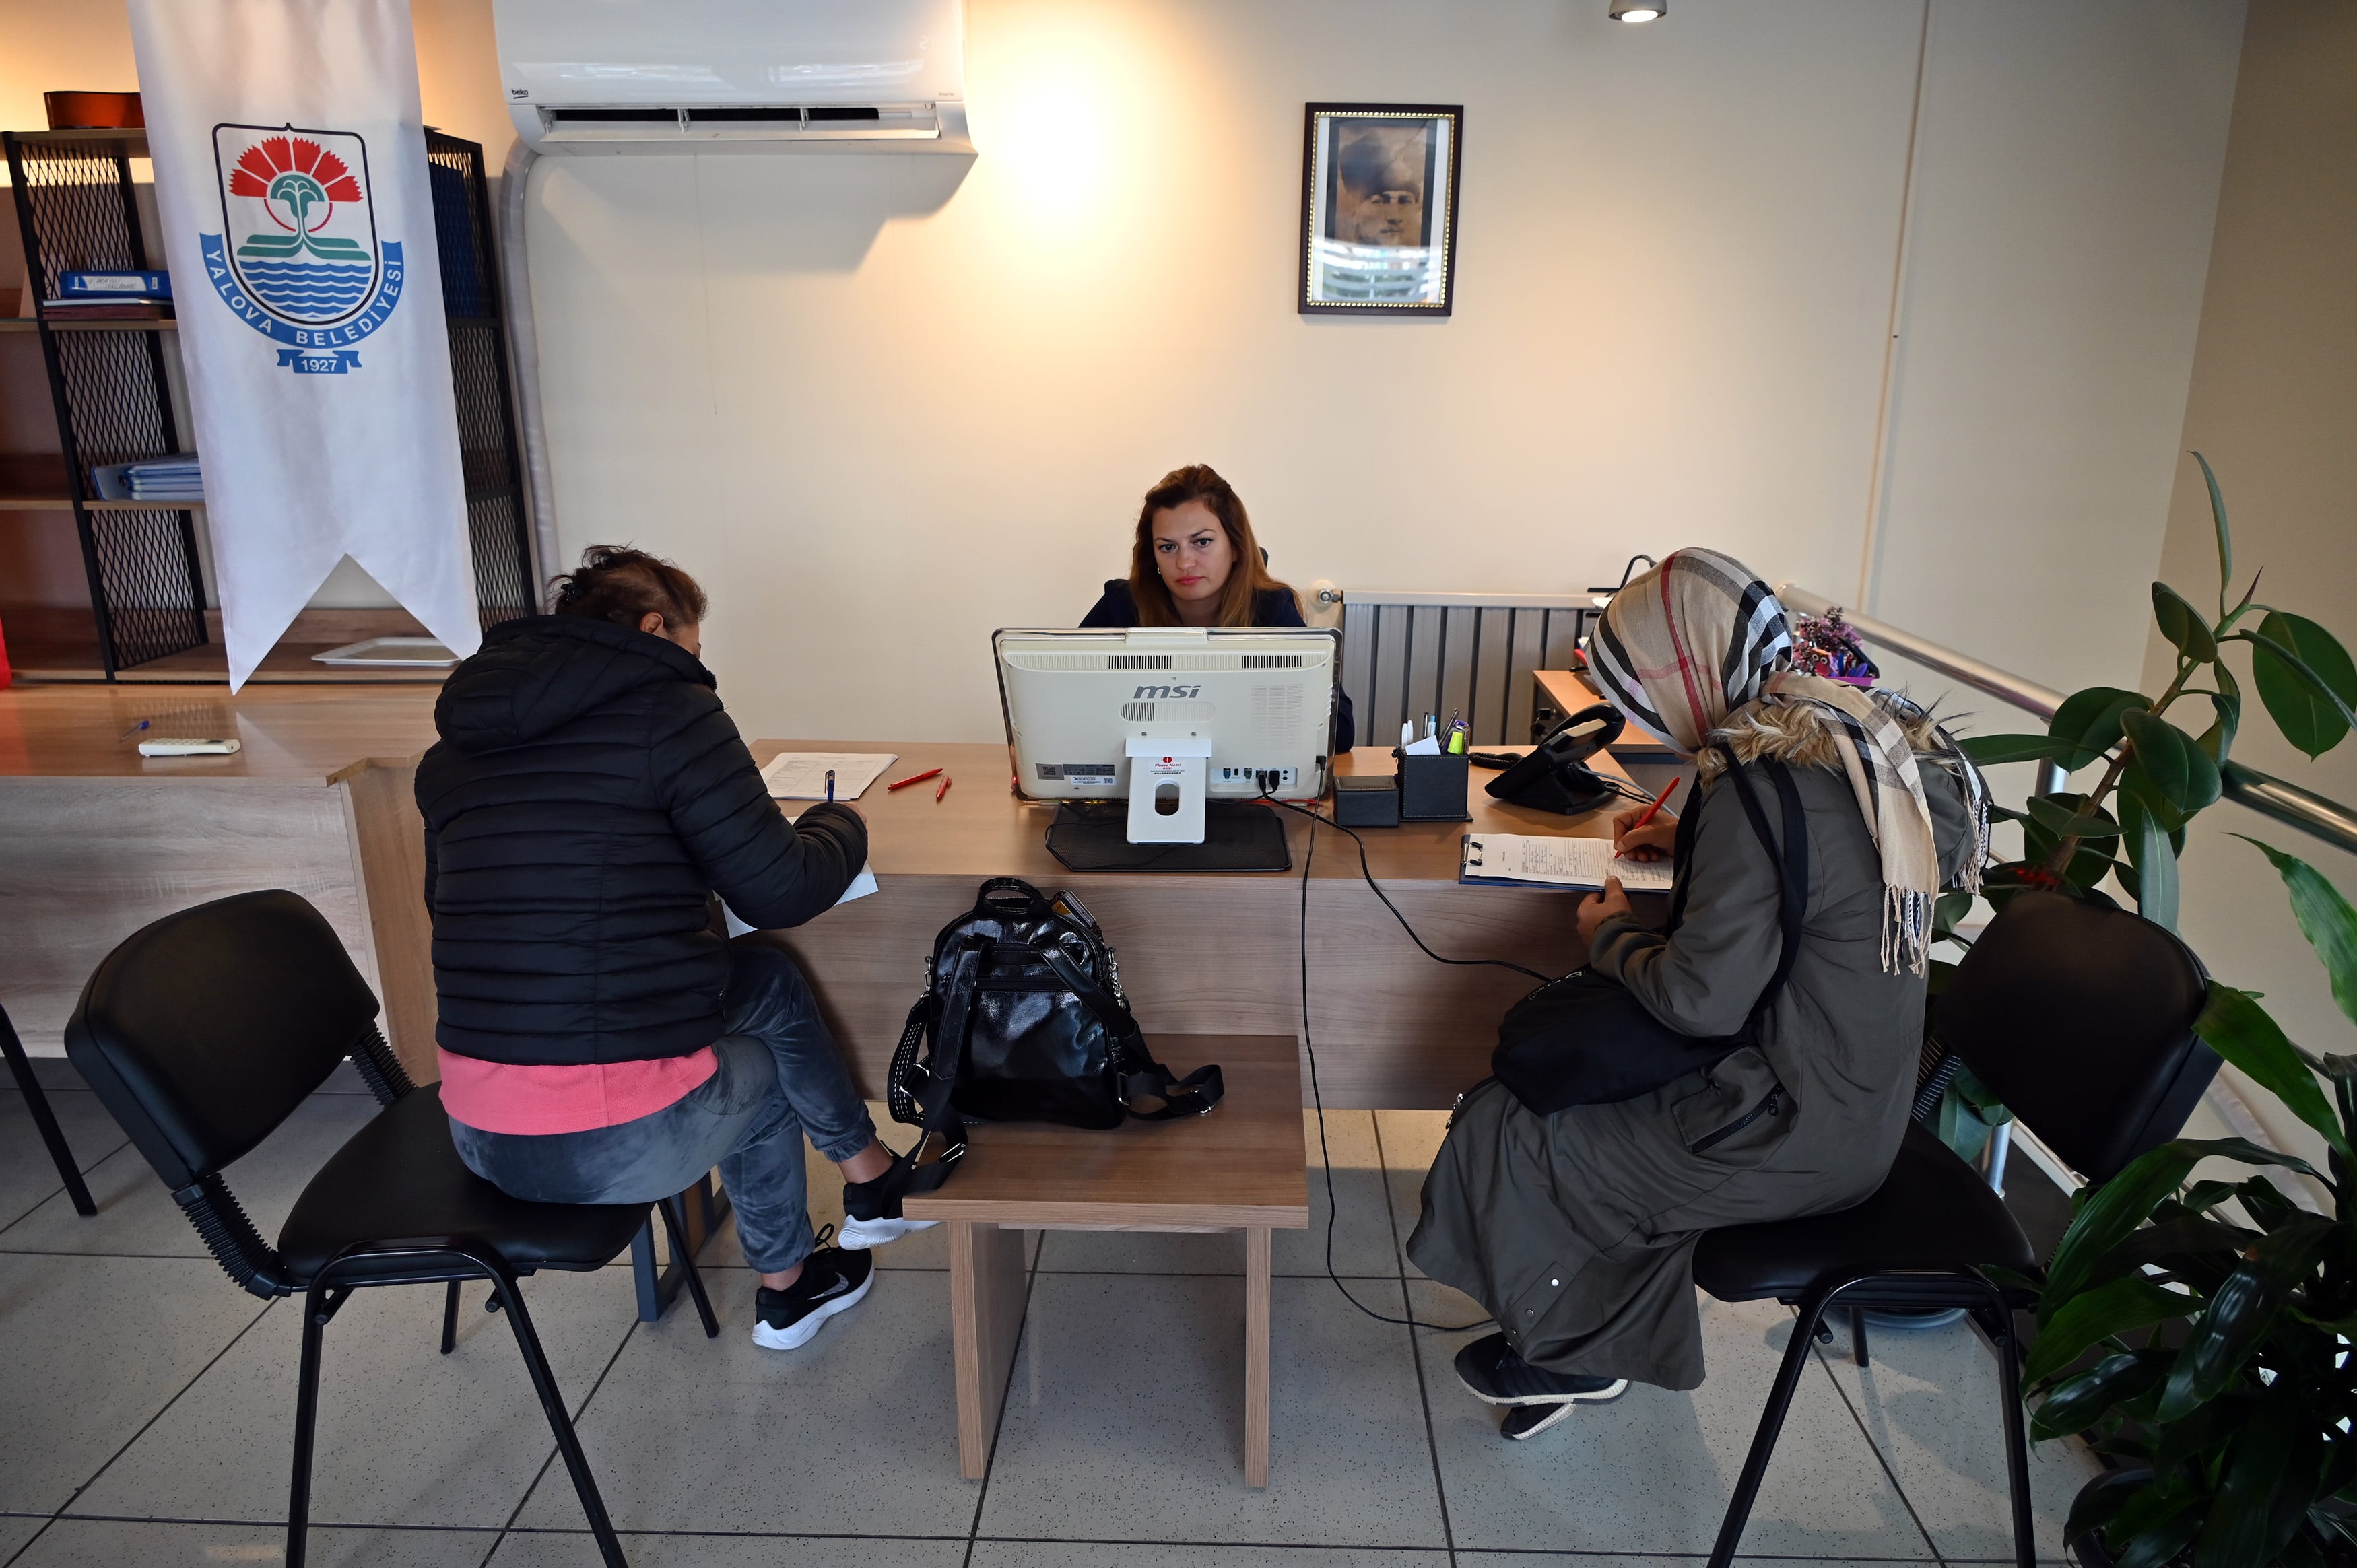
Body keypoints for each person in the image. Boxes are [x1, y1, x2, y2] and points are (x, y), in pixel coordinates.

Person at [1408, 550, 1987, 1439]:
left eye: (1642, 682)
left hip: (1789, 1132)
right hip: (1855, 1107)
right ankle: (1595, 1330)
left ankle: (1580, 1353)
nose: (1644, 704)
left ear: (1685, 667)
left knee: (1516, 1120)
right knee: (1562, 1099)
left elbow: (1699, 1002)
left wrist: (1609, 932)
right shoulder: (1843, 741)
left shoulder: (1759, 784)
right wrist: (1693, 843)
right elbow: (1815, 881)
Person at [416, 545, 929, 1352]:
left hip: (479, 1129)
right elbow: (779, 891)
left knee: (762, 977)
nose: (697, 663)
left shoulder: (452, 751)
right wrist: (841, 824)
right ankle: (791, 1287)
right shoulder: (670, 709)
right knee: (765, 1071)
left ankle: (871, 1178)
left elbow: (453, 906)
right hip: (607, 1143)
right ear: (655, 629)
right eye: (693, 646)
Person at [1081, 463, 1355, 751]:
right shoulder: (1122, 605)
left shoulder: (1270, 609)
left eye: (1202, 542)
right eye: (1168, 547)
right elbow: (1062, 703)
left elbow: (1340, 731)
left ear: (1236, 546)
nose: (1185, 562)